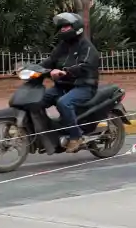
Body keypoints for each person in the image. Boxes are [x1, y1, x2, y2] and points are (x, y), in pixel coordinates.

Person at [39, 12, 100, 152]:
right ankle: (46, 132)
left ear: (76, 27)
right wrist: (31, 68)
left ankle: (76, 136)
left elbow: (85, 65)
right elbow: (50, 61)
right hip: (63, 86)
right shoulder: (63, 46)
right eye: (61, 27)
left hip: (84, 87)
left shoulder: (87, 47)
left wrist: (65, 71)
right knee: (38, 99)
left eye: (66, 26)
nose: (63, 29)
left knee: (64, 103)